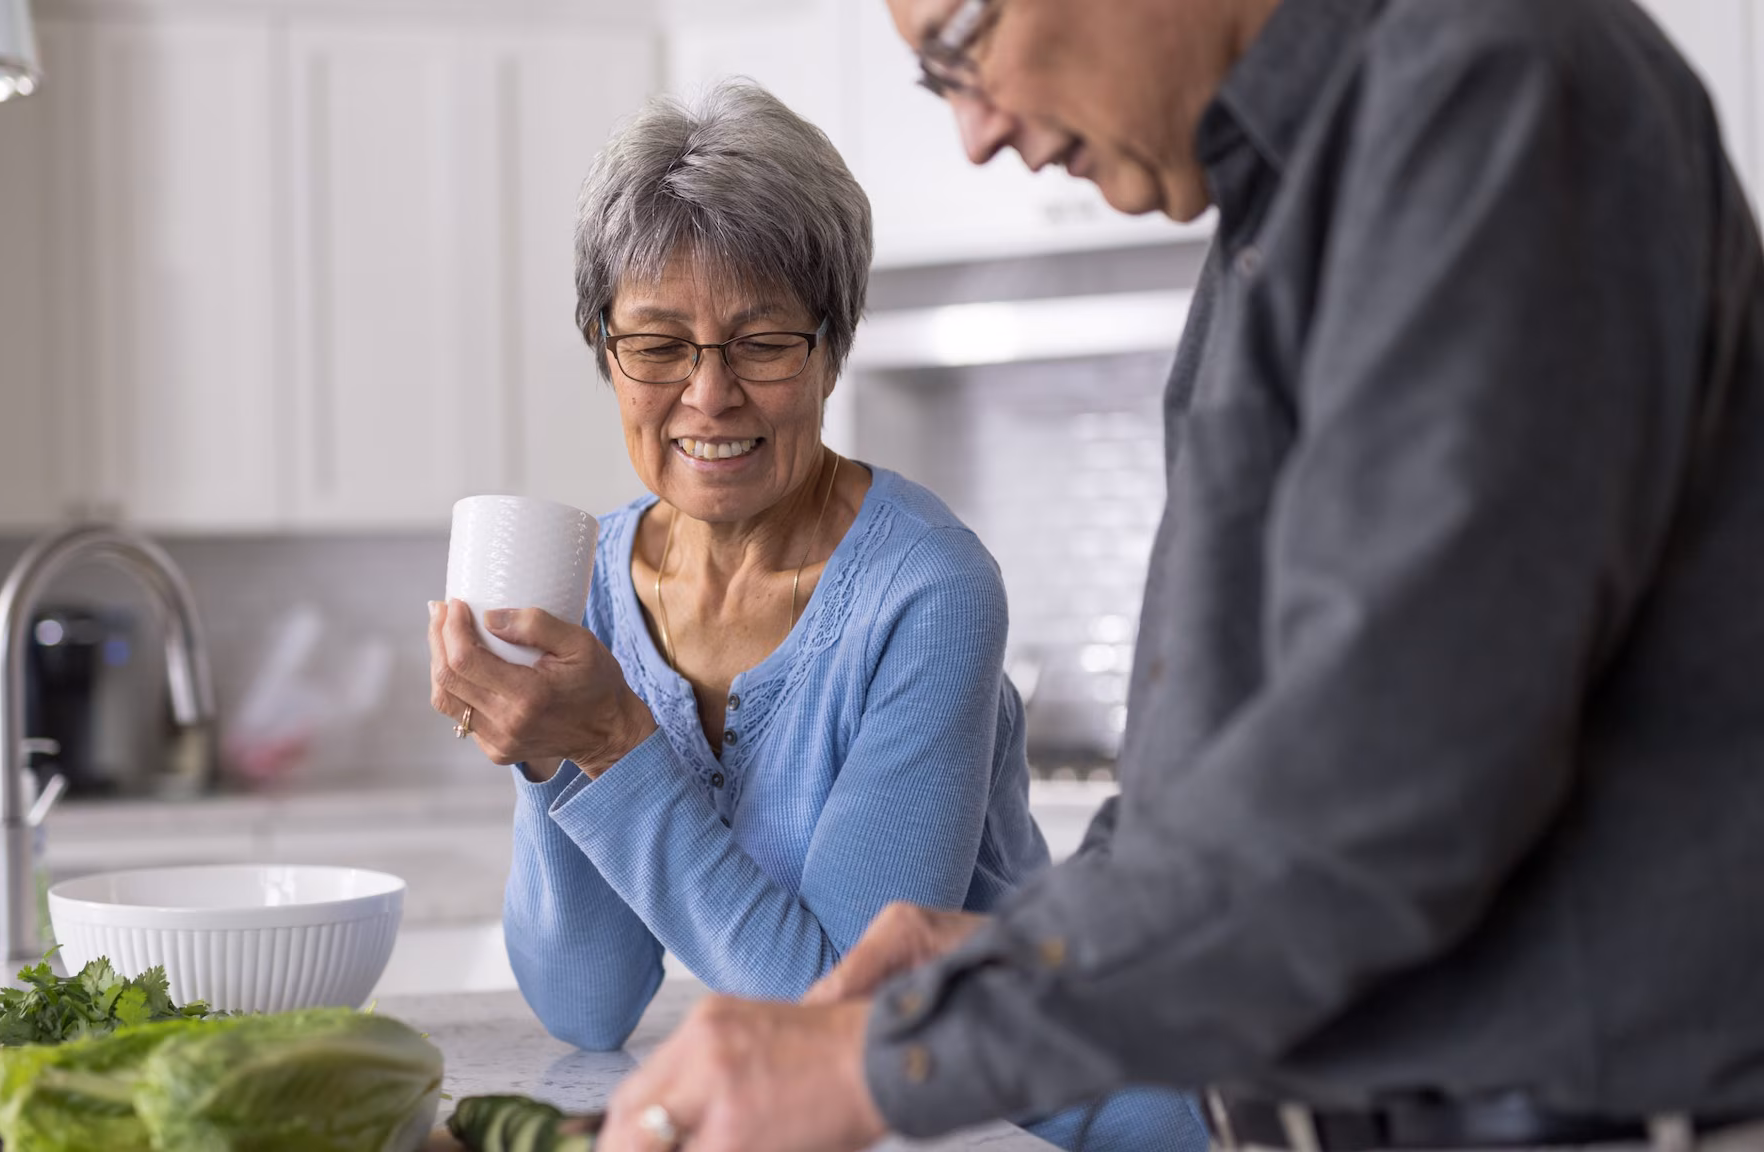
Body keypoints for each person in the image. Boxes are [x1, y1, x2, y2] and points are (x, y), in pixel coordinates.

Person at [592, 1, 1764, 1152]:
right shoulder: (1292, 191)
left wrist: (904, 1050)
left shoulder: (1492, 88)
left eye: (960, 45)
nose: (976, 133)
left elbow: (1384, 770)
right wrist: (1006, 959)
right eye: (930, 82)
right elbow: (1218, 780)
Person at [425, 81, 1209, 1151]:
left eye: (760, 343)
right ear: (606, 354)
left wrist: (610, 742)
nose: (707, 397)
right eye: (657, 345)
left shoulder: (926, 590)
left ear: (831, 349)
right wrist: (546, 745)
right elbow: (586, 1007)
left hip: (1065, 1115)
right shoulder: (593, 581)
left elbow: (845, 1009)